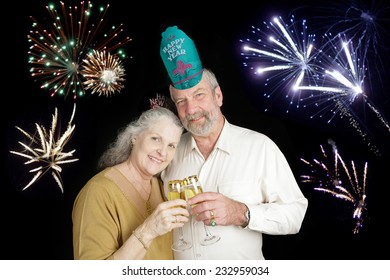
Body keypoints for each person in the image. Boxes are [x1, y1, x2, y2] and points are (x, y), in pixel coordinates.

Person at [159, 26, 308, 259]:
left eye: (199, 95)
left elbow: (295, 214)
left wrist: (242, 213)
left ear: (218, 96)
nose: (191, 109)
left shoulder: (259, 147)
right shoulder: (168, 153)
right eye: (181, 102)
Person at [72, 107, 188, 260]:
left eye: (171, 145)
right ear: (134, 137)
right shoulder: (98, 192)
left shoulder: (163, 188)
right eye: (155, 139)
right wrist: (149, 230)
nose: (163, 152)